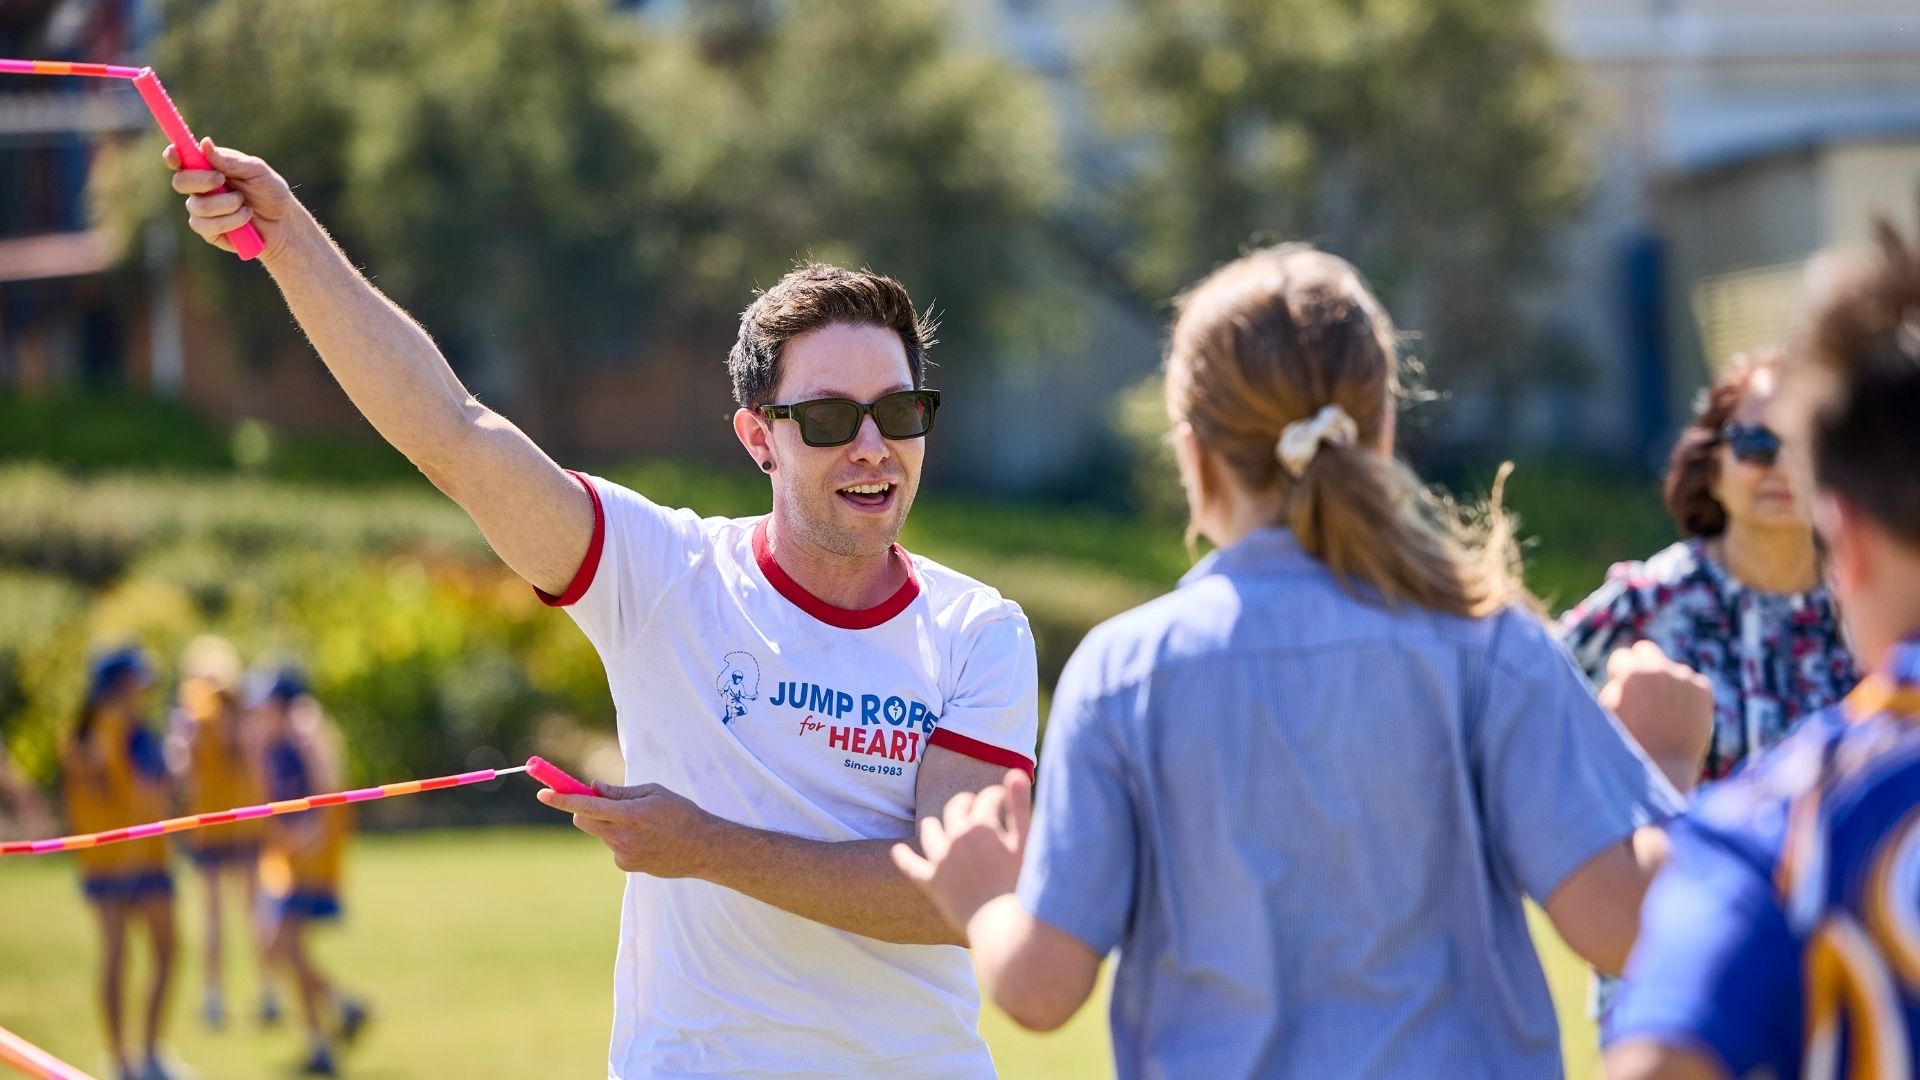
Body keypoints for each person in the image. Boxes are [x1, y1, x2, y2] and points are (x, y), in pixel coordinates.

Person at [167, 142, 1038, 1077]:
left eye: (899, 413)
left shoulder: (978, 631)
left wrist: (705, 847)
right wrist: (290, 236)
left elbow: (956, 896)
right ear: (759, 440)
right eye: (828, 420)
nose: (872, 447)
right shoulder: (664, 572)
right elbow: (454, 434)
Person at [894, 245, 1712, 1078]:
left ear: (1193, 453)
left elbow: (1041, 990)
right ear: (1382, 432)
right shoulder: (1489, 645)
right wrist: (1670, 763)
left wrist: (987, 896)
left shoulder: (1124, 674)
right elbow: (1631, 930)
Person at [1605, 224, 1920, 1079]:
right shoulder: (1639, 604)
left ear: (1841, 537)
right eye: (1752, 443)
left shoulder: (1784, 827)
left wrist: (1664, 772)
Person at [1561, 350, 1859, 785]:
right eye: (1756, 444)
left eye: (1805, 445)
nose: (1782, 467)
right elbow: (1527, 716)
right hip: (1676, 853)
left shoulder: (1869, 604)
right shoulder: (1645, 601)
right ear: (1712, 464)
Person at [61, 647, 183, 1080]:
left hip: (98, 861)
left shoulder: (77, 732)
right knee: (164, 951)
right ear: (117, 685)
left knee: (115, 955)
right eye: (136, 682)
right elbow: (156, 790)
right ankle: (145, 1056)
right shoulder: (129, 730)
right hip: (142, 856)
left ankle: (124, 1060)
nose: (143, 691)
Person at [252, 670, 368, 1077]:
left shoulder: (306, 725)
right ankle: (338, 1014)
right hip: (290, 856)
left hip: (309, 856)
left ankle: (326, 1034)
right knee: (283, 948)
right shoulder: (275, 736)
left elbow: (327, 786)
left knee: (281, 945)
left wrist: (311, 836)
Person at [166, 635, 275, 1029]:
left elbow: (258, 757)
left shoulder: (245, 714)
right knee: (216, 913)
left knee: (253, 909)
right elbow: (179, 774)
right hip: (211, 824)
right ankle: (215, 995)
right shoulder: (189, 718)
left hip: (241, 820)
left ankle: (267, 990)